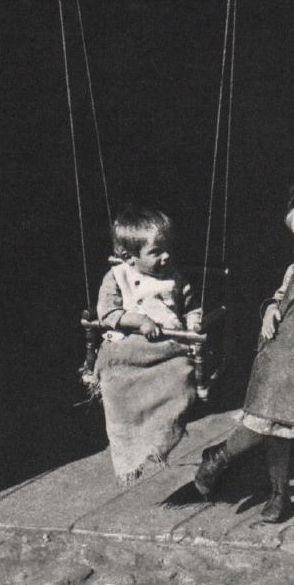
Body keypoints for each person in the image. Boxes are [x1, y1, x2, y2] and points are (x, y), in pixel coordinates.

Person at [193, 186, 294, 523]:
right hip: (279, 362)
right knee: (267, 423)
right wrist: (270, 309)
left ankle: (220, 457)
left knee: (278, 425)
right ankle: (279, 492)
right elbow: (281, 296)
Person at [94, 204, 202, 483]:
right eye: (156, 252)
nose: (166, 256)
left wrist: (193, 325)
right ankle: (130, 451)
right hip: (131, 345)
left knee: (181, 380)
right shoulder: (118, 277)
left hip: (168, 347)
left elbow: (191, 308)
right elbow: (107, 313)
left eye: (168, 249)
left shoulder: (175, 279)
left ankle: (157, 443)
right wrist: (139, 321)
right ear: (129, 257)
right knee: (117, 387)